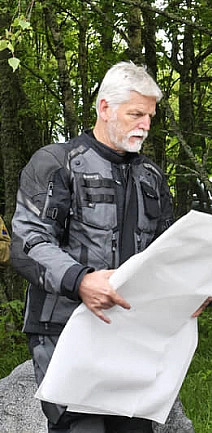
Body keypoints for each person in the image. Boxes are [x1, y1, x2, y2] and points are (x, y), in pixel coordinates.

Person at [11, 61, 175, 433]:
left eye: (149, 116)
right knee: (79, 427)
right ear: (105, 107)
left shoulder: (151, 176)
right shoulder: (57, 162)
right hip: (65, 330)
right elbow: (27, 241)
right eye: (136, 114)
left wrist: (191, 291)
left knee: (135, 427)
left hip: (133, 334)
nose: (145, 125)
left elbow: (166, 252)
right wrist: (80, 280)